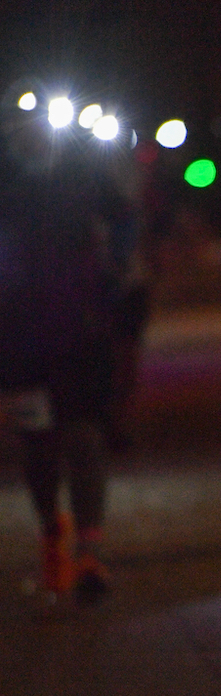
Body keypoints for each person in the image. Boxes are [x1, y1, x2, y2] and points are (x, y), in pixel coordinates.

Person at [0, 110, 136, 604]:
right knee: (40, 448)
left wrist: (118, 277)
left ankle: (87, 552)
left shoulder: (81, 174)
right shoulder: (9, 181)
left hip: (77, 335)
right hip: (22, 342)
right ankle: (55, 542)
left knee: (82, 439)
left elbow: (123, 215)